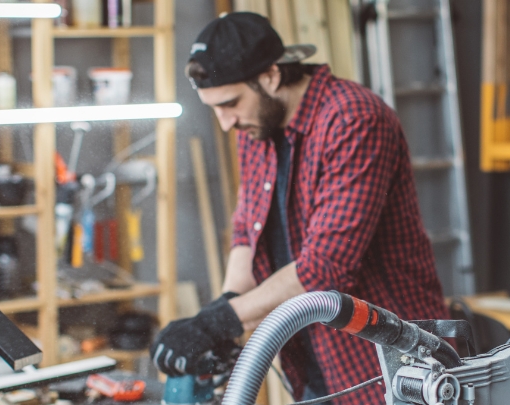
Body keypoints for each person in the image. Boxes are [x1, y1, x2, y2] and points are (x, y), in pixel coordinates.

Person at [151, 12, 447, 403]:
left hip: (390, 367)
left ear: (272, 76)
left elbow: (325, 268)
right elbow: (247, 233)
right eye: (215, 109)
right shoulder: (256, 127)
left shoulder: (353, 119)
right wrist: (226, 309)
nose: (225, 123)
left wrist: (217, 322)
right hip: (311, 363)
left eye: (231, 103)